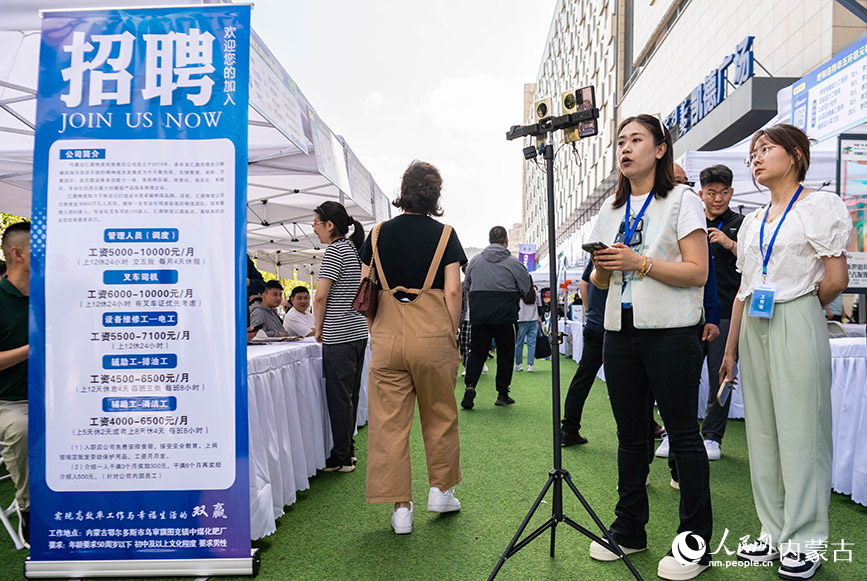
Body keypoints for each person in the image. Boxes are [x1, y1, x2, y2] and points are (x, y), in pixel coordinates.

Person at [720, 124, 850, 579]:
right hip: (754, 323)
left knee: (802, 431)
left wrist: (801, 310)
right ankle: (772, 531)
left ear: (795, 155)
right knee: (763, 431)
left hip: (796, 314)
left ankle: (805, 538)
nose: (756, 158)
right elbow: (743, 288)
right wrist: (731, 348)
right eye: (753, 152)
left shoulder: (819, 206)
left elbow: (836, 279)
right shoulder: (753, 220)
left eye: (766, 149)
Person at [586, 114, 711, 580]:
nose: (625, 148)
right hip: (620, 332)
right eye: (620, 141)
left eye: (636, 139)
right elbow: (599, 279)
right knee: (630, 436)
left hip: (673, 331)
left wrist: (639, 262)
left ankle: (693, 546)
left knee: (681, 435)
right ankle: (629, 530)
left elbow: (697, 271)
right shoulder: (612, 209)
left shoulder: (683, 199)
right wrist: (603, 266)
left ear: (660, 150)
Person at [360, 161, 467, 535]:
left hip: (387, 335)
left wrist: (379, 329)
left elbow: (365, 289)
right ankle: (440, 490)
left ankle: (401, 509)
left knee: (389, 423)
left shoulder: (375, 235)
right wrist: (449, 330)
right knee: (440, 414)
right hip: (433, 335)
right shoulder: (446, 235)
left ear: (402, 191)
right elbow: (453, 290)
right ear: (435, 195)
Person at [312, 201, 369, 473]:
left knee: (339, 397)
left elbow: (321, 295)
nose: (314, 228)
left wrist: (319, 326)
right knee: (350, 396)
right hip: (357, 332)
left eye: (316, 223)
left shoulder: (335, 251)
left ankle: (342, 457)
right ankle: (348, 451)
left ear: (329, 224)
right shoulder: (353, 251)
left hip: (339, 334)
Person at [461, 226, 532, 409]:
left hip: (479, 317)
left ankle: (470, 385)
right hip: (505, 317)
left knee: (476, 353)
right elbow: (526, 290)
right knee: (505, 355)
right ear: (506, 240)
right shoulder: (514, 263)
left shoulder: (474, 262)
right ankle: (502, 394)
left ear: (489, 239)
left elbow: (467, 285)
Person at [0, 222, 30, 546]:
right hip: (11, 401)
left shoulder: (54, 292)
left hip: (61, 397)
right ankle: (28, 507)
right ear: (17, 253)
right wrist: (31, 348)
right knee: (21, 430)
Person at [560, 261, 605, 446]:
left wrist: (591, 311)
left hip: (595, 324)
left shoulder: (597, 252)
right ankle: (647, 426)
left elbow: (583, 284)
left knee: (583, 377)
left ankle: (569, 428)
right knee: (633, 381)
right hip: (615, 327)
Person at [514, 285, 540, 372]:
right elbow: (540, 306)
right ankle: (530, 365)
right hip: (534, 319)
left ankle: (518, 364)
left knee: (519, 343)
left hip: (521, 319)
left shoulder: (519, 291)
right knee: (532, 344)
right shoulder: (535, 292)